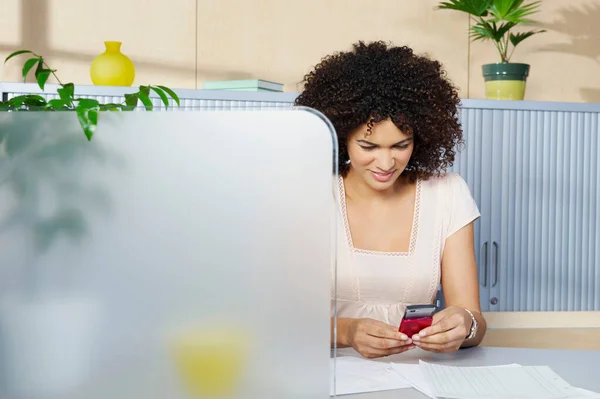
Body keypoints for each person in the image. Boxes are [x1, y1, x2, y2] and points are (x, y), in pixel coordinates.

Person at [295, 41, 487, 359]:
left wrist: (463, 324)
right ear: (341, 136)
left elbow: (474, 322)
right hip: (327, 371)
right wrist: (347, 332)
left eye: (400, 145)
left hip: (418, 370)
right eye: (369, 147)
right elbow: (280, 320)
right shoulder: (310, 194)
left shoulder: (448, 194)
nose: (386, 164)